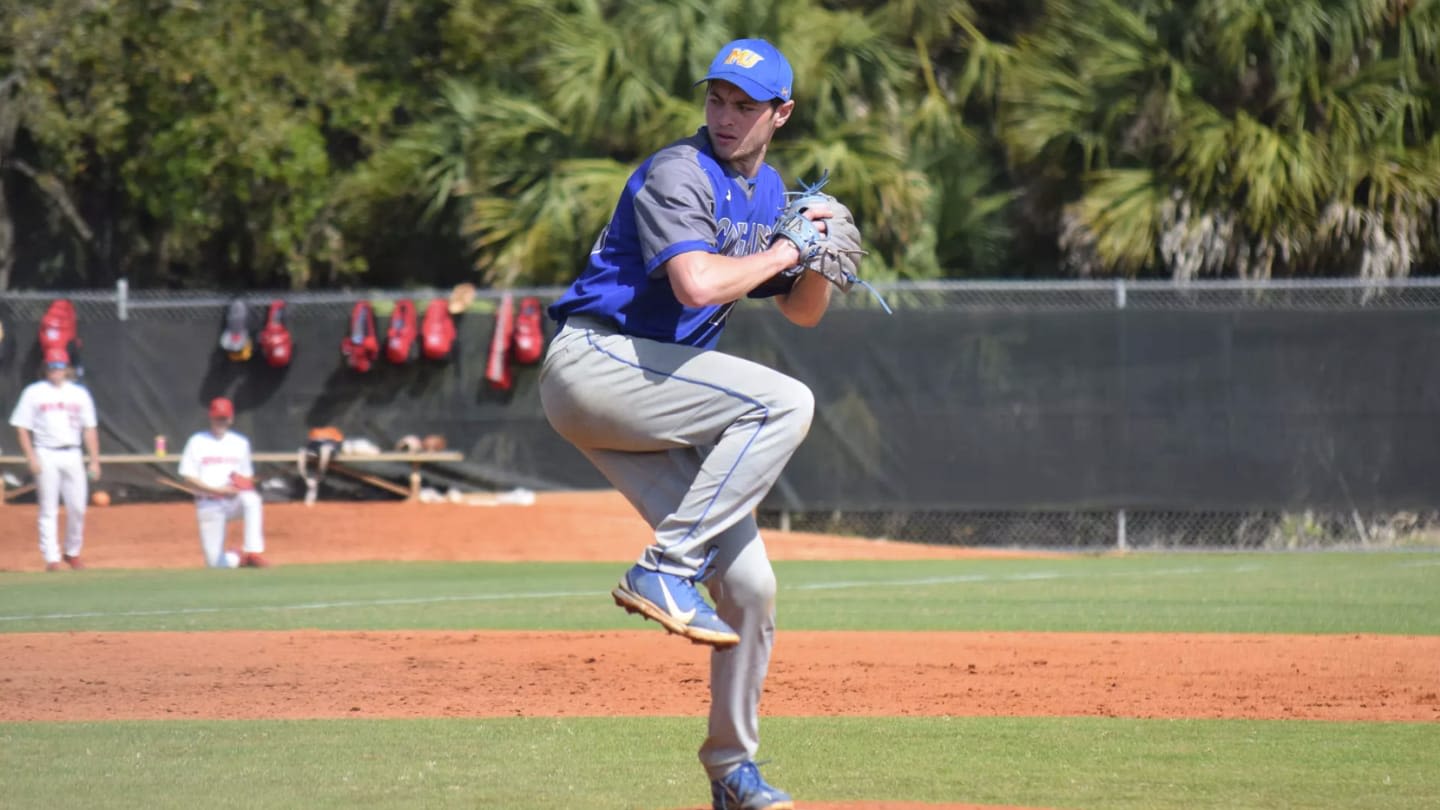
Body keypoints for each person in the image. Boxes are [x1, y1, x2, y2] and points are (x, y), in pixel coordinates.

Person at [540, 37, 835, 810]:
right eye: (717, 99)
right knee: (786, 401)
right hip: (595, 366)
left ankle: (731, 771)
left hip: (652, 398)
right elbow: (699, 285)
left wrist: (819, 257)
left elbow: (803, 314)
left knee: (749, 586)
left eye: (746, 104)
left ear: (782, 113)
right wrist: (781, 252)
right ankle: (664, 568)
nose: (727, 116)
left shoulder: (769, 191)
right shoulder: (680, 170)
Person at [9, 347, 102, 571]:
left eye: (60, 366)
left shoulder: (79, 393)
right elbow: (21, 427)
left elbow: (90, 428)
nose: (56, 371)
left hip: (73, 452)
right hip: (46, 451)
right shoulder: (34, 392)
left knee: (78, 506)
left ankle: (72, 551)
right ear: (45, 369)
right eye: (52, 366)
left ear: (67, 369)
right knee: (48, 508)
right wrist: (31, 456)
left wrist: (95, 460)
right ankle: (51, 557)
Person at [177, 397, 269, 568]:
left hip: (233, 501)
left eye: (224, 418)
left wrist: (237, 486)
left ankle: (253, 551)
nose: (221, 422)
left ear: (231, 418)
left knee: (252, 500)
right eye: (217, 418)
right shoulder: (197, 441)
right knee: (215, 564)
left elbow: (245, 477)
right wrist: (216, 489)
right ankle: (237, 557)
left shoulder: (240, 443)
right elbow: (188, 477)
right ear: (210, 417)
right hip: (209, 503)